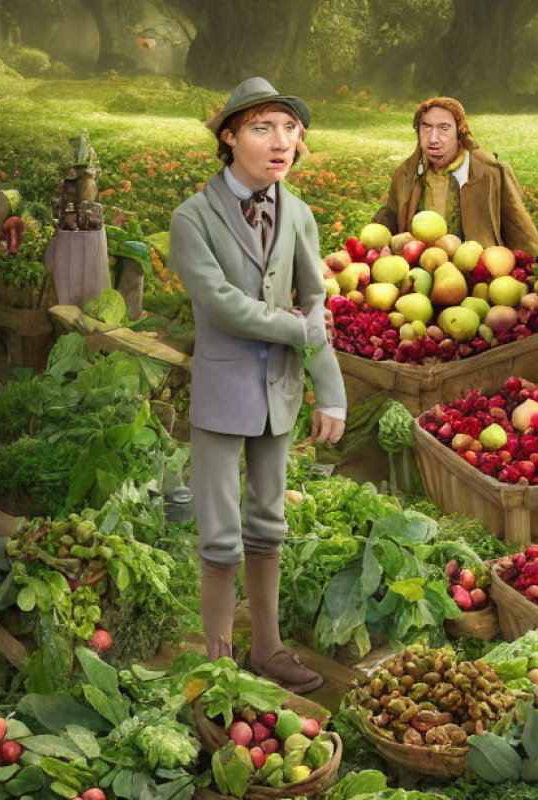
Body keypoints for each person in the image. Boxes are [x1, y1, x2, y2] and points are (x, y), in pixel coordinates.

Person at [169, 77, 346, 693]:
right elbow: (221, 305)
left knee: (268, 522)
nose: (281, 142)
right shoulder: (193, 218)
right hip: (222, 395)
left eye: (290, 129)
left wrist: (332, 390)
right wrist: (296, 326)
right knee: (220, 535)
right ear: (229, 137)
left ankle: (267, 651)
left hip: (280, 391)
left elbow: (315, 305)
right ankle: (220, 664)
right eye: (262, 128)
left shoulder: (297, 212)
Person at [373, 96, 538, 264]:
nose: (433, 138)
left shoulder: (489, 173)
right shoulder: (406, 174)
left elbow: (518, 225)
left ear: (459, 132)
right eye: (426, 127)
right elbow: (391, 217)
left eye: (444, 128)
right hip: (420, 268)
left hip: (478, 272)